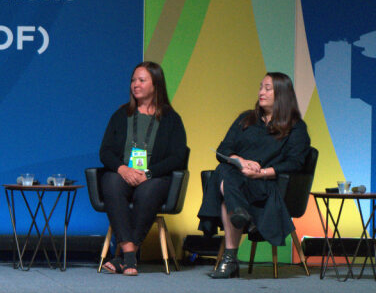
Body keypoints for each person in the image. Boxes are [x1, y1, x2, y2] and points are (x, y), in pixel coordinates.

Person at [198, 72, 311, 278]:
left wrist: (262, 173)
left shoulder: (295, 127)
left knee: (226, 194)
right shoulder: (245, 119)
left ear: (283, 94)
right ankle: (239, 216)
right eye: (261, 87)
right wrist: (242, 162)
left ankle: (231, 257)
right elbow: (224, 150)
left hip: (268, 186)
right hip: (237, 178)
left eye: (268, 88)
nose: (261, 92)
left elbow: (296, 163)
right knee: (224, 170)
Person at [97, 61, 188, 276]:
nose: (135, 85)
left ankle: (124, 257)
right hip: (124, 174)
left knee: (148, 190)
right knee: (110, 181)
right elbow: (105, 151)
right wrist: (122, 169)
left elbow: (178, 157)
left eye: (141, 80)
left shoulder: (171, 119)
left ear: (155, 85)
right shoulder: (121, 115)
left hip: (155, 177)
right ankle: (130, 256)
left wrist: (148, 173)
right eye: (133, 80)